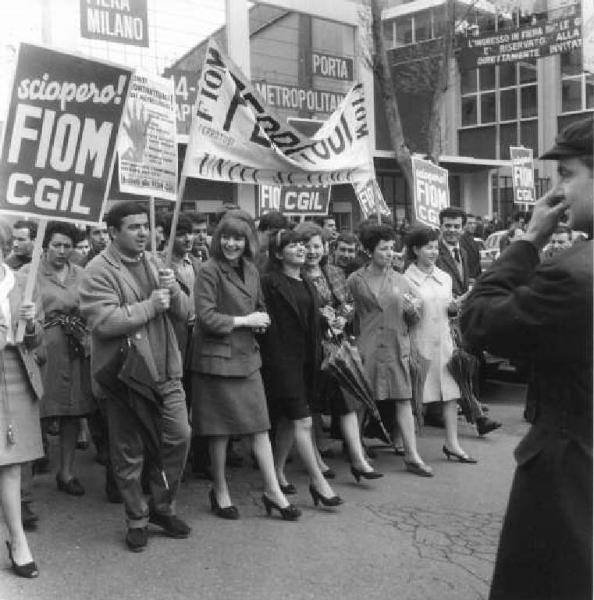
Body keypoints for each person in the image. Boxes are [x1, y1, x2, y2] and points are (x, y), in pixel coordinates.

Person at [461, 116, 593, 600]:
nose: (558, 190)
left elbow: (478, 322)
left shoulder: (575, 275)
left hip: (571, 470)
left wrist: (528, 240)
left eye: (567, 174)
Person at [79, 201, 192, 552]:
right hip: (125, 375)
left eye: (146, 225)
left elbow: (185, 313)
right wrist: (149, 305)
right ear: (113, 232)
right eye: (134, 227)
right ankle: (137, 517)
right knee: (128, 450)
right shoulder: (97, 270)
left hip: (165, 368)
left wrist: (172, 288)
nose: (144, 232)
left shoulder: (156, 262)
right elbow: (104, 322)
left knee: (179, 436)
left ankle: (163, 506)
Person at [190, 215, 300, 521]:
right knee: (219, 432)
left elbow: (259, 305)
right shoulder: (209, 270)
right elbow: (206, 316)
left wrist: (261, 319)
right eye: (226, 237)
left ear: (248, 241)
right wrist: (245, 321)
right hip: (217, 361)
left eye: (238, 238)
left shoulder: (252, 270)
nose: (231, 243)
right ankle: (220, 490)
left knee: (260, 427)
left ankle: (272, 491)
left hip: (248, 358)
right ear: (217, 238)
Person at [260, 229, 343, 508]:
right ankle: (318, 482)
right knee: (303, 421)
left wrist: (326, 320)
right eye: (292, 245)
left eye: (301, 244)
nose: (300, 249)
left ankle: (279, 472)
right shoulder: (269, 282)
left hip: (307, 360)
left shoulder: (306, 281)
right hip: (281, 361)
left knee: (287, 421)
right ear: (277, 253)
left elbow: (310, 320)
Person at [295, 222, 382, 483]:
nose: (312, 252)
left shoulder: (334, 272)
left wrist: (343, 317)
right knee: (310, 407)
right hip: (310, 349)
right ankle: (315, 458)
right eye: (306, 246)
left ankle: (358, 458)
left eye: (317, 246)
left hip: (338, 346)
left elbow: (348, 303)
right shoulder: (296, 274)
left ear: (325, 247)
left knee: (347, 402)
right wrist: (323, 319)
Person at [348, 224, 432, 477]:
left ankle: (412, 454)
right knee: (360, 400)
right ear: (369, 250)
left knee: (403, 398)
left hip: (396, 345)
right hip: (367, 346)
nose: (389, 253)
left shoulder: (400, 279)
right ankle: (356, 452)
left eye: (391, 248)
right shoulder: (355, 280)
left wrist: (412, 310)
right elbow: (348, 313)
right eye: (383, 248)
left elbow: (417, 314)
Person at [24, 222, 92, 496]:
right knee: (34, 413)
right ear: (45, 245)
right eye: (57, 245)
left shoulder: (81, 273)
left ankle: (66, 472)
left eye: (68, 246)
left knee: (72, 411)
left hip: (74, 348)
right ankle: (23, 486)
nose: (63, 251)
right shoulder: (29, 274)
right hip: (42, 348)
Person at [404, 226, 476, 465]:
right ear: (415, 250)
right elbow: (407, 314)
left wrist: (456, 306)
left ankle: (452, 443)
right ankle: (407, 446)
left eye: (436, 247)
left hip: (444, 342)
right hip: (420, 342)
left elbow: (449, 310)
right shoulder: (406, 279)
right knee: (415, 397)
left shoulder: (445, 278)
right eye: (428, 247)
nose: (433, 252)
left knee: (451, 394)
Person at [0, 219, 44, 578]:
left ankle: (18, 542)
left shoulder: (22, 283)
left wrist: (30, 325)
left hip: (14, 375)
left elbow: (35, 342)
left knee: (11, 463)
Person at [435, 207, 501, 436]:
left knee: (462, 365)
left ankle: (467, 407)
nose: (452, 230)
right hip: (441, 318)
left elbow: (470, 279)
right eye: (448, 226)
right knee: (458, 366)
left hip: (460, 320)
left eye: (456, 226)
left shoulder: (463, 251)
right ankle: (478, 416)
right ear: (440, 226)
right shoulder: (433, 251)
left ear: (463, 228)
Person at [460, 213, 482, 280]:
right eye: (470, 223)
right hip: (467, 279)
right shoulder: (460, 240)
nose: (473, 225)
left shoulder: (474, 241)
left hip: (476, 279)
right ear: (463, 225)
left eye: (474, 223)